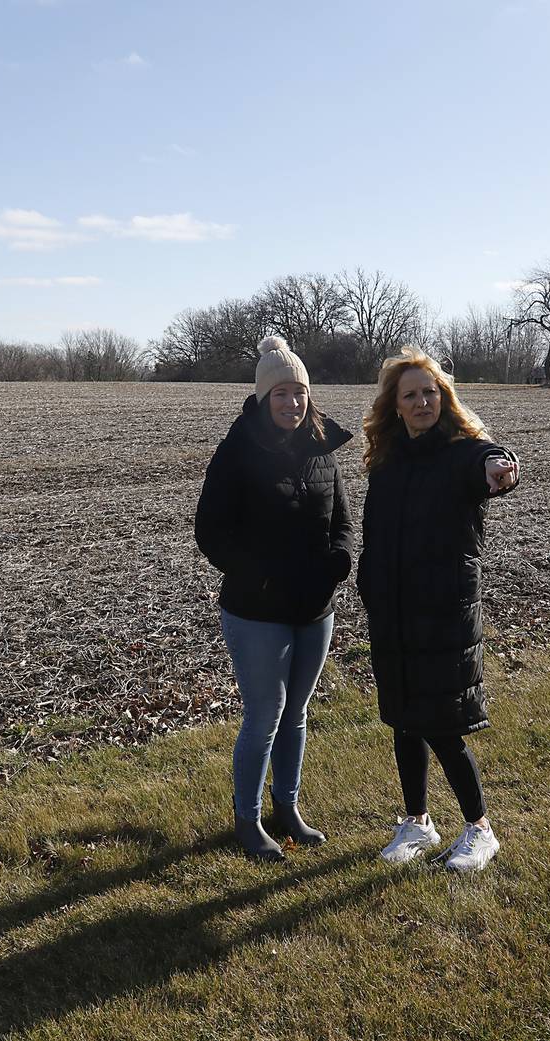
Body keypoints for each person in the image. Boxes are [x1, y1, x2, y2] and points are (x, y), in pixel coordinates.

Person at [356, 347, 519, 872]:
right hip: (395, 613)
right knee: (404, 721)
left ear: (443, 397)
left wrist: (499, 468)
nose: (422, 401)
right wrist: (370, 586)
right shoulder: (387, 461)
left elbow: (486, 461)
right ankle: (418, 823)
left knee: (443, 727)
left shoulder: (462, 451)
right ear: (396, 406)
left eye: (430, 392)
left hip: (443, 614)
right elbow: (375, 535)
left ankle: (480, 829)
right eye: (411, 395)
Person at [195, 336, 355, 862]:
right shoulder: (239, 450)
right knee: (266, 711)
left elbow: (342, 521)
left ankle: (287, 807)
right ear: (264, 398)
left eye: (298, 392)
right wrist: (261, 577)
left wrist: (338, 563)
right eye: (280, 393)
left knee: (298, 712)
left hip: (314, 609)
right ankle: (247, 818)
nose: (291, 402)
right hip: (256, 609)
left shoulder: (321, 448)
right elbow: (211, 533)